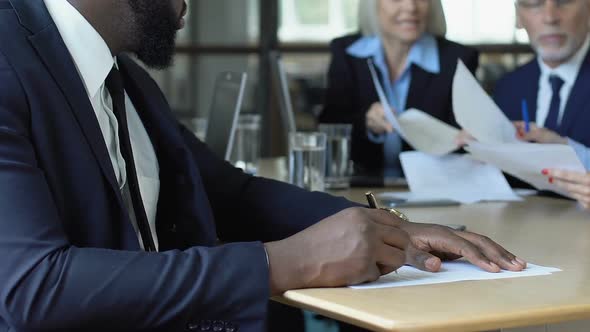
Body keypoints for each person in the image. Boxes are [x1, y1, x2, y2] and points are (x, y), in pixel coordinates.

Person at [0, 0, 526, 331]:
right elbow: (34, 290)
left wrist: (393, 227)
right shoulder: (7, 61)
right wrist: (282, 262)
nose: (190, 9)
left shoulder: (125, 77)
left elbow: (230, 193)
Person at [319, 0, 479, 176]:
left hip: (432, 187)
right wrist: (366, 123)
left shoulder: (458, 59)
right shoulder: (346, 52)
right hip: (361, 187)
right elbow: (329, 127)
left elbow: (464, 141)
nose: (411, 7)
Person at [492, 0, 590, 206]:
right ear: (518, 16)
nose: (550, 17)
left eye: (564, 2)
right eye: (534, 4)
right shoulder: (507, 87)